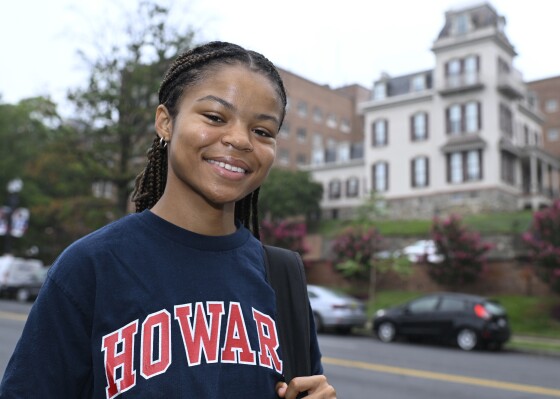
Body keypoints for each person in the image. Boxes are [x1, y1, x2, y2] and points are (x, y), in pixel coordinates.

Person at [0, 41, 336, 399]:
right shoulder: (91, 266)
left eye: (263, 131)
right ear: (165, 122)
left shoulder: (281, 277)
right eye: (215, 117)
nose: (240, 140)